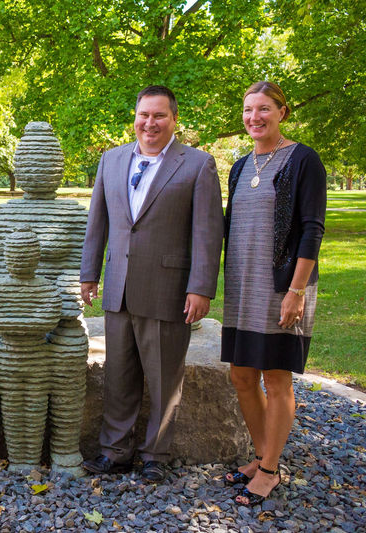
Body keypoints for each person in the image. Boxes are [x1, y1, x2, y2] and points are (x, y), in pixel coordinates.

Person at [79, 85, 224, 483]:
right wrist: (89, 274)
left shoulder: (198, 165)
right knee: (118, 375)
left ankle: (155, 455)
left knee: (164, 379)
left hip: (170, 291)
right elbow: (98, 223)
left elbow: (208, 234)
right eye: (144, 115)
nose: (150, 123)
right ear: (136, 117)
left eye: (159, 116)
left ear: (174, 120)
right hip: (119, 288)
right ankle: (114, 452)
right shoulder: (111, 160)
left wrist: (201, 288)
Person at [221, 81, 326, 506]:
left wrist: (296, 290)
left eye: (263, 109)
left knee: (276, 378)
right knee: (241, 376)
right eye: (248, 110)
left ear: (282, 112)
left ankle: (268, 470)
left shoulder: (303, 160)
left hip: (284, 286)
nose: (254, 118)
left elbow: (312, 230)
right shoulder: (240, 165)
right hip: (242, 287)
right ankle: (263, 455)